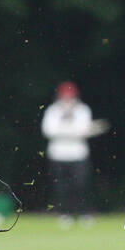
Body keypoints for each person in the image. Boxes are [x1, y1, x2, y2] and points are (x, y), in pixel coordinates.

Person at [41, 81, 98, 223]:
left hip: (78, 154)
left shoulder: (82, 110)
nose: (67, 100)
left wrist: (64, 130)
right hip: (58, 154)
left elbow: (83, 131)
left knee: (81, 184)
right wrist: (72, 131)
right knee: (61, 186)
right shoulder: (53, 111)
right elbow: (48, 131)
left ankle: (84, 213)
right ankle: (65, 214)